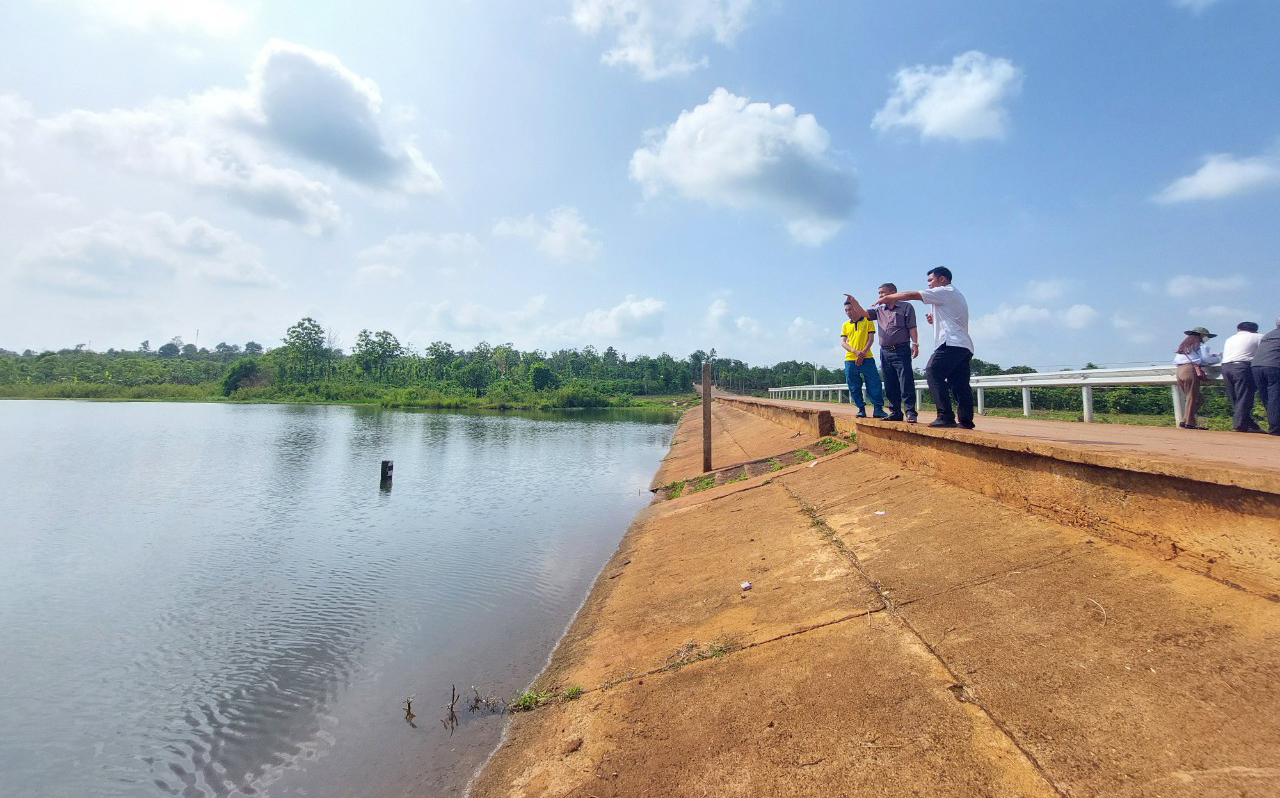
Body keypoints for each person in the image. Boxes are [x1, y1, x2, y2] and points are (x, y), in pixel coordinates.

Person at [869, 266, 974, 429]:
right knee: (959, 383)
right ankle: (966, 421)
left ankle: (945, 416)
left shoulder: (944, 291)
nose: (929, 284)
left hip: (951, 343)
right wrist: (935, 320)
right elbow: (953, 317)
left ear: (942, 279)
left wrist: (888, 297)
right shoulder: (955, 294)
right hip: (963, 345)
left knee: (933, 371)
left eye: (931, 280)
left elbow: (912, 295)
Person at [867, 282, 920, 422]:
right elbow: (862, 313)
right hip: (884, 351)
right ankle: (895, 412)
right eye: (879, 293)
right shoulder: (879, 310)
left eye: (882, 292)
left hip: (901, 349)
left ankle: (910, 412)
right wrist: (852, 302)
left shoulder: (906, 307)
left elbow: (912, 327)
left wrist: (915, 344)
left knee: (905, 381)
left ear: (893, 292)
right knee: (890, 383)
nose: (880, 295)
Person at [840, 298, 887, 418]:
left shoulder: (867, 321)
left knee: (874, 383)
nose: (848, 312)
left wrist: (863, 353)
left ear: (855, 308)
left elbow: (871, 339)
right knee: (853, 385)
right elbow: (843, 342)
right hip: (850, 359)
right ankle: (860, 408)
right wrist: (855, 352)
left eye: (850, 309)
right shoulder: (845, 325)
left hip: (867, 358)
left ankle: (877, 408)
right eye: (846, 310)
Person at [1173, 326, 1221, 430]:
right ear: (1201, 335)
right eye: (1206, 336)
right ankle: (1190, 423)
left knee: (1198, 398)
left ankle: (1185, 420)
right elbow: (1206, 359)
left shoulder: (1185, 346)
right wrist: (1219, 357)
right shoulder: (1200, 346)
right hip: (1189, 371)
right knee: (1192, 398)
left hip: (1180, 371)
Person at [1220, 321, 1264, 433]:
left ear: (1239, 329)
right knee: (1244, 396)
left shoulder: (1229, 339)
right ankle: (1240, 425)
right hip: (1242, 367)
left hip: (1226, 367)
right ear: (1254, 330)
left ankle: (1248, 424)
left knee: (1234, 398)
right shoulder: (1258, 336)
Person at [1251, 319, 1280, 436]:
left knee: (1266, 397)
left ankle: (1273, 425)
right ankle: (1276, 428)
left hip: (1256, 367)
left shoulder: (1269, 334)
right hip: (1274, 367)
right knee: (1275, 397)